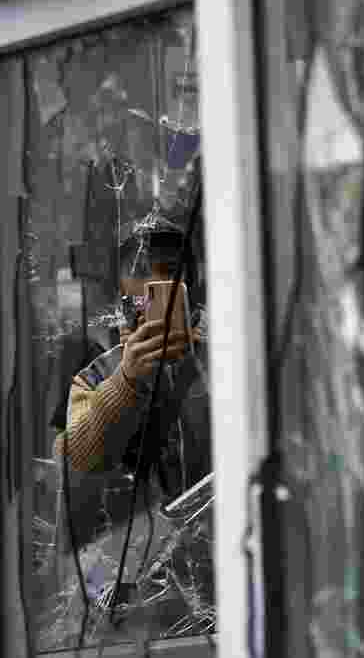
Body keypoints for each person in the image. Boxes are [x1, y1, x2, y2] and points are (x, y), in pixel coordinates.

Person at [54, 212, 212, 634]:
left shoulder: (225, 368)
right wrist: (127, 381)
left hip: (217, 595)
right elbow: (79, 457)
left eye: (162, 292)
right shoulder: (97, 376)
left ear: (191, 297)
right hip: (125, 609)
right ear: (122, 305)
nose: (147, 310)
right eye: (136, 299)